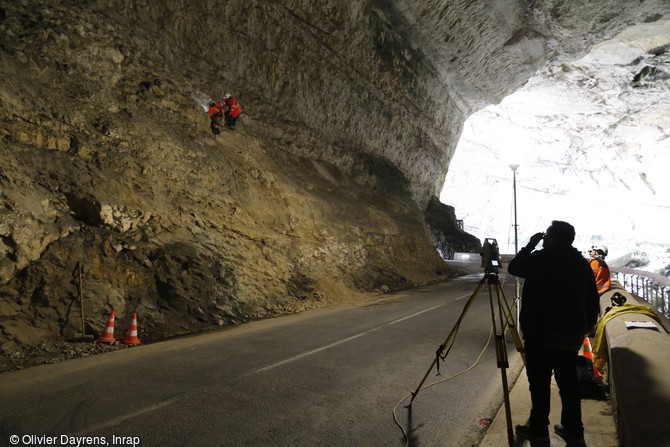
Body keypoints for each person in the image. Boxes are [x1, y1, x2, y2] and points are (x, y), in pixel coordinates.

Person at [508, 221, 600, 446]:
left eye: (548, 234)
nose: (545, 237)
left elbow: (514, 267)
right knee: (568, 384)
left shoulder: (540, 259)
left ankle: (539, 430)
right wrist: (587, 326)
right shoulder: (581, 263)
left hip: (540, 333)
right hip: (570, 336)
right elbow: (592, 298)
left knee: (539, 384)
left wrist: (530, 245)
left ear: (554, 238)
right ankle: (574, 431)